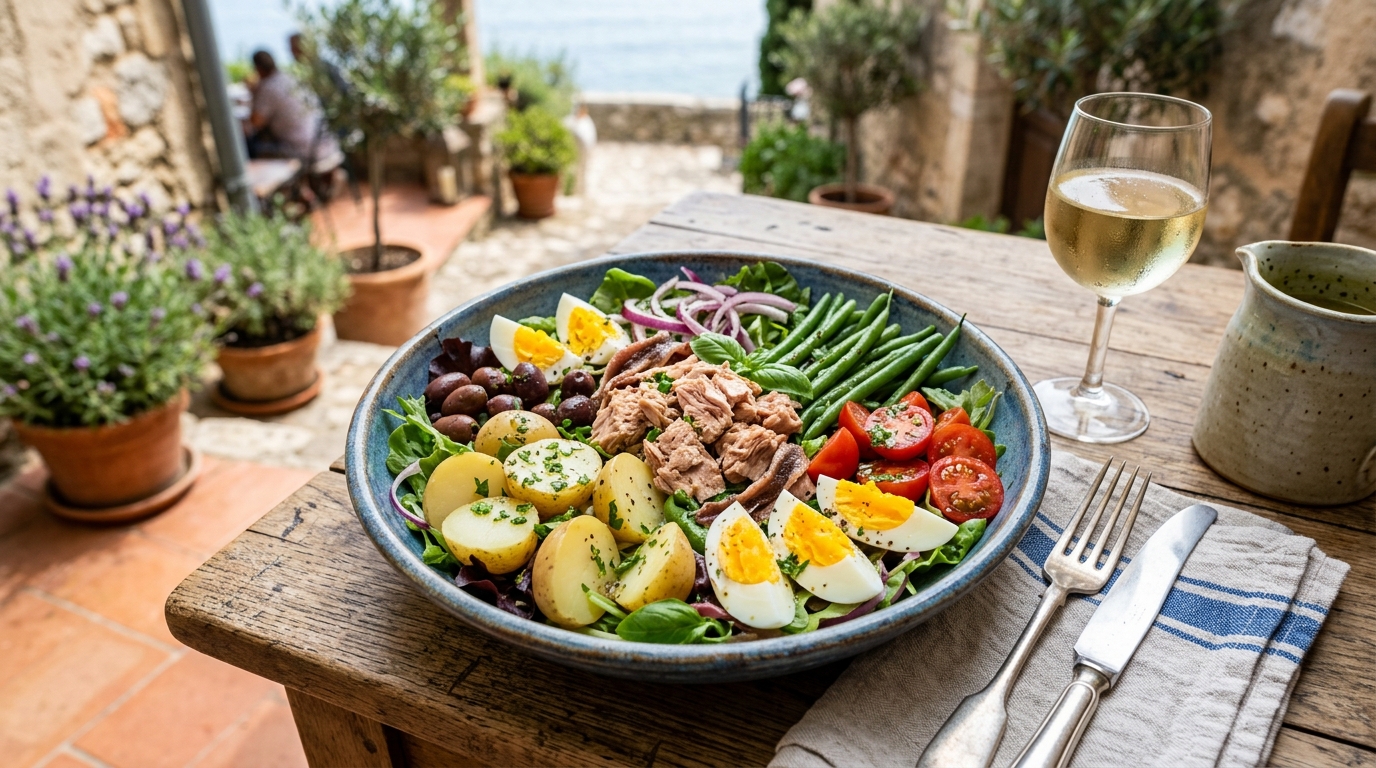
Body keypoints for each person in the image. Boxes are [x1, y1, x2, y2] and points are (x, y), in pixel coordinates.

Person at [244, 50, 342, 173]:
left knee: (251, 148)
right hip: (325, 143)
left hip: (303, 149)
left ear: (258, 69)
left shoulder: (268, 88)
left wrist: (254, 94)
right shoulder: (292, 77)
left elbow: (255, 123)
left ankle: (281, 189)